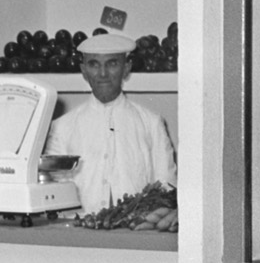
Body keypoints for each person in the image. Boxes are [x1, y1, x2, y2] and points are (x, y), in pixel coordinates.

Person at [46, 33, 176, 215]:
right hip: (77, 234)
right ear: (83, 70)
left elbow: (166, 187)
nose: (103, 73)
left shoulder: (152, 123)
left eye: (112, 63)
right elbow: (54, 192)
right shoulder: (62, 127)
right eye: (94, 64)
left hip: (136, 233)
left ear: (126, 68)